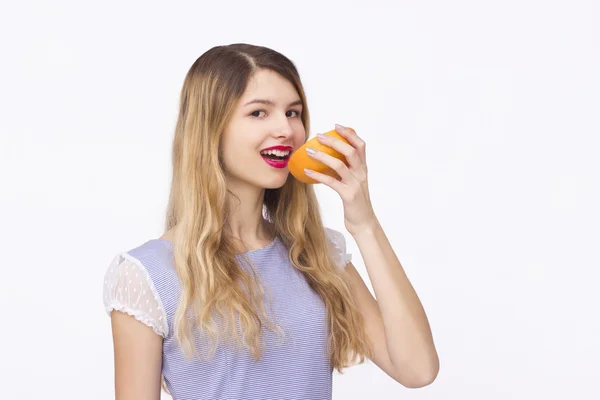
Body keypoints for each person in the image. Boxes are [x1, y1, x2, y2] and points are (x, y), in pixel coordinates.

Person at [102, 43, 439, 400]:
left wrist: (364, 223)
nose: (286, 130)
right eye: (259, 113)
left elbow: (417, 369)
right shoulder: (146, 276)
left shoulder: (317, 255)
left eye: (293, 113)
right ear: (210, 130)